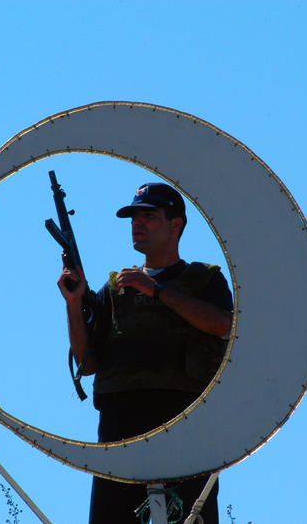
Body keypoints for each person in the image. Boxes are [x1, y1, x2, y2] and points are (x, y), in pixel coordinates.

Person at [57, 182, 234, 524]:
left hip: (184, 417)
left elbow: (221, 324)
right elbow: (88, 362)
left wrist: (156, 291)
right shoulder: (116, 289)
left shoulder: (204, 280)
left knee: (193, 516)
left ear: (176, 224)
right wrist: (74, 304)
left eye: (149, 216)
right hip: (121, 423)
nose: (138, 223)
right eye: (134, 216)